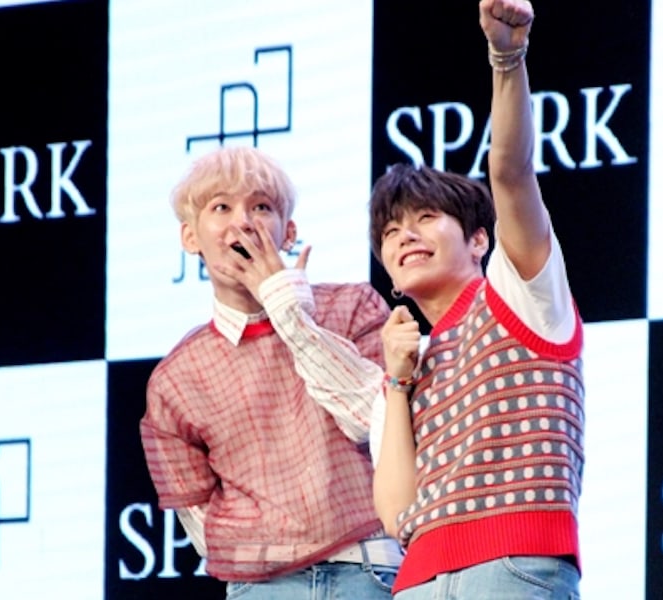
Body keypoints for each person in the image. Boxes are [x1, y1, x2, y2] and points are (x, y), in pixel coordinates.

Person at [368, 1, 585, 598]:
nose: (405, 236)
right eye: (391, 232)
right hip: (418, 581)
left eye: (425, 218)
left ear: (479, 240)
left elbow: (511, 173)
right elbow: (397, 514)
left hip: (511, 567)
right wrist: (397, 382)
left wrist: (506, 58)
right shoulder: (406, 363)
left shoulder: (520, 293)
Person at [140, 145, 403, 599]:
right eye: (221, 207)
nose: (243, 222)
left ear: (289, 232)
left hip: (369, 568)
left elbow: (372, 423)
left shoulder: (352, 306)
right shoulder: (177, 378)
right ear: (190, 237)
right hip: (262, 586)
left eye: (261, 207)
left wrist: (286, 307)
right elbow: (198, 516)